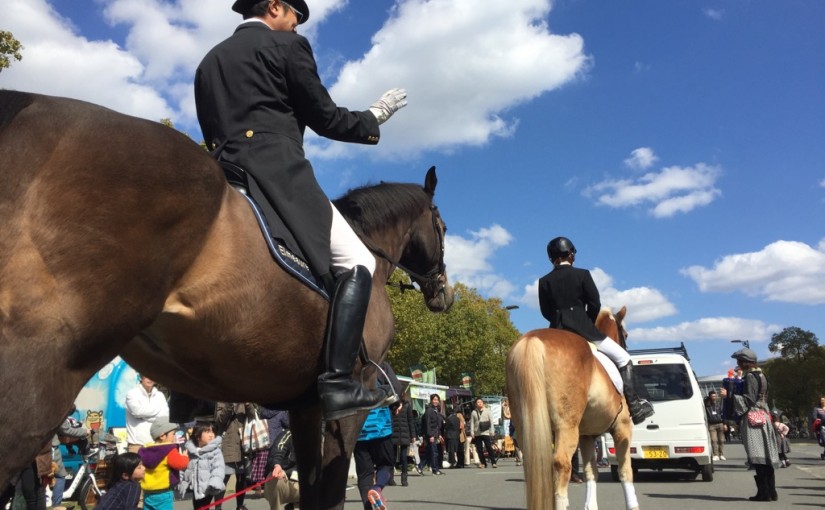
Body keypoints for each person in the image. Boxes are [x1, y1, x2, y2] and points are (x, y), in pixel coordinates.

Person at [194, 0, 407, 422]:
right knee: (359, 262)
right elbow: (324, 116)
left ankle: (189, 392)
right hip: (277, 172)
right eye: (294, 15)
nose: (295, 25)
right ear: (275, 6)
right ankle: (339, 383)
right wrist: (374, 116)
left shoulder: (209, 60)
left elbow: (209, 127)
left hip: (221, 173)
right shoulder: (288, 47)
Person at [538, 236, 654, 425]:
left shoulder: (544, 281)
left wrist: (559, 321)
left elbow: (546, 311)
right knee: (624, 358)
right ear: (570, 254)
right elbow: (594, 303)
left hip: (557, 332)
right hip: (585, 330)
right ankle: (635, 407)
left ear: (552, 258)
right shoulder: (583, 274)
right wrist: (587, 322)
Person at [721, 348, 780, 502]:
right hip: (764, 415)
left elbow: (748, 400)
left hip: (754, 418)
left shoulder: (751, 377)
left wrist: (729, 396)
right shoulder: (763, 375)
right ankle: (771, 491)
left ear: (746, 361)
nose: (738, 364)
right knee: (766, 455)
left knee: (757, 454)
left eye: (739, 361)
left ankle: (764, 493)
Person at [354, 362, 402, 510]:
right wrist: (396, 405)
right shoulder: (381, 366)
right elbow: (396, 388)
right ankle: (377, 488)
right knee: (386, 466)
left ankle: (369, 507)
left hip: (358, 431)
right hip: (381, 429)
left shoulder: (348, 365)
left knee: (364, 475)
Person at [138, 419, 189, 510]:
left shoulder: (145, 450)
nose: (174, 436)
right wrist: (185, 457)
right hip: (164, 493)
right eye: (173, 434)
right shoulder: (169, 450)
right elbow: (181, 464)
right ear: (162, 436)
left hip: (148, 492)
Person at [214, 403, 256, 510]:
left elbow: (252, 416)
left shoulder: (243, 400)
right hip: (227, 444)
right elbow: (219, 420)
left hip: (243, 444)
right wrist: (230, 404)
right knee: (223, 478)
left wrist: (247, 404)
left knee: (241, 478)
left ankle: (240, 506)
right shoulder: (222, 401)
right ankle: (218, 507)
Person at [178, 422, 225, 510]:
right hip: (195, 488)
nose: (211, 435)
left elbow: (219, 468)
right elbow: (185, 468)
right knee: (197, 507)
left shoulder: (215, 451)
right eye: (207, 432)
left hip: (208, 487)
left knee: (203, 507)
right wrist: (183, 482)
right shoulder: (191, 450)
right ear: (198, 436)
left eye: (212, 432)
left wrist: (214, 483)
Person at [51, 410, 91, 509]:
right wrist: (85, 431)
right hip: (49, 448)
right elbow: (66, 430)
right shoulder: (57, 409)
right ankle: (56, 506)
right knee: (60, 475)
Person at [126, 375, 170, 453]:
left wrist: (144, 416)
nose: (150, 379)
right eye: (146, 376)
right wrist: (157, 410)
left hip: (156, 443)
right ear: (141, 377)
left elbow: (164, 416)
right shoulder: (132, 393)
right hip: (137, 445)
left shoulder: (160, 395)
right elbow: (137, 411)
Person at [263, 426, 299, 510]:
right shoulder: (288, 434)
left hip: (308, 483)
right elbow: (277, 451)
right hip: (287, 480)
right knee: (273, 478)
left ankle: (296, 506)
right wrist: (277, 465)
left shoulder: (320, 437)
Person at [390, 393, 417, 486]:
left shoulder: (407, 405)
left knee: (404, 457)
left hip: (405, 434)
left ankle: (404, 478)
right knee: (392, 457)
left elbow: (411, 421)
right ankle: (390, 478)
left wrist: (413, 435)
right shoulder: (391, 406)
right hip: (393, 433)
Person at [417, 394, 446, 475]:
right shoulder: (429, 410)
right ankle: (435, 469)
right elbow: (428, 424)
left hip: (435, 434)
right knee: (434, 452)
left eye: (437, 400)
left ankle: (420, 466)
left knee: (430, 453)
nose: (436, 401)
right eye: (434, 399)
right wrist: (430, 435)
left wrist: (439, 434)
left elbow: (437, 424)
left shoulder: (435, 410)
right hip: (431, 435)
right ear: (431, 400)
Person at [470, 398, 496, 469]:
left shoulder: (488, 411)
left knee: (489, 447)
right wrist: (472, 432)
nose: (480, 403)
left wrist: (492, 431)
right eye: (478, 402)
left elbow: (491, 422)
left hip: (486, 432)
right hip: (477, 433)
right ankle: (483, 463)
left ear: (483, 403)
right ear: (476, 404)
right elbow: (472, 422)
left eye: (481, 402)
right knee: (479, 449)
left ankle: (493, 462)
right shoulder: (474, 412)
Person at [705, 390, 726, 461]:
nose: (714, 397)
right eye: (712, 396)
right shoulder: (707, 404)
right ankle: (715, 454)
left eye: (715, 396)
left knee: (721, 440)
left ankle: (721, 454)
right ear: (710, 396)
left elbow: (724, 413)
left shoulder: (719, 402)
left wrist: (725, 424)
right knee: (714, 440)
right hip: (711, 424)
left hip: (720, 423)